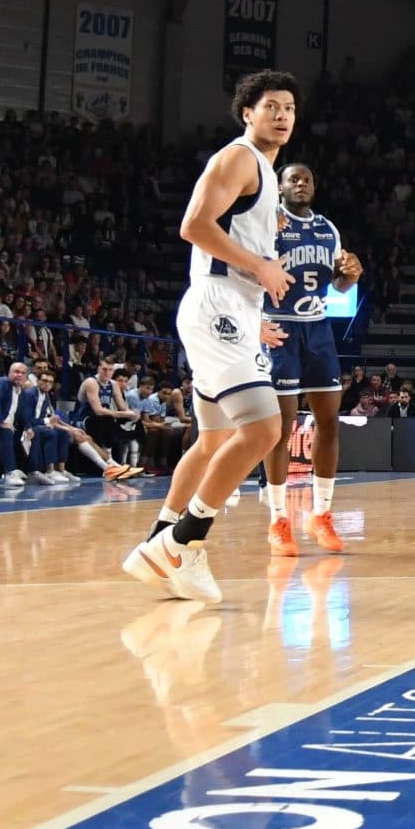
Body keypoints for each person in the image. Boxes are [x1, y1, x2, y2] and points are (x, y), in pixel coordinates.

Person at [122, 71, 298, 607]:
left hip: (230, 310)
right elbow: (194, 226)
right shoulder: (239, 158)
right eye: (271, 106)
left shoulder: (263, 171)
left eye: (290, 107)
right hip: (217, 304)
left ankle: (158, 538)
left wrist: (253, 317)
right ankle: (183, 545)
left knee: (215, 440)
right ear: (247, 112)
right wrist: (261, 270)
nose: (283, 115)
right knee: (265, 426)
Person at [260, 160, 362, 556]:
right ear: (280, 188)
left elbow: (338, 281)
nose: (301, 183)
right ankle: (278, 520)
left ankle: (321, 515)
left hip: (318, 328)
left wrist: (351, 275)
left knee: (328, 421)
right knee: (280, 429)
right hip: (280, 328)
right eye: (293, 179)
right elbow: (250, 273)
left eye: (307, 178)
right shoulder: (269, 222)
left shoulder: (327, 228)